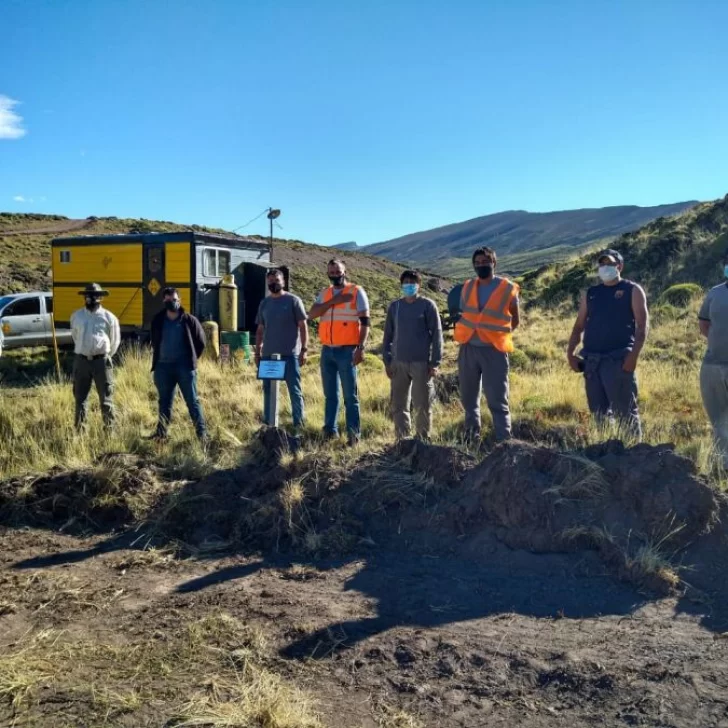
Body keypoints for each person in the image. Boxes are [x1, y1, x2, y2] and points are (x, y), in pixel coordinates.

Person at [566, 249, 648, 439]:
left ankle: (633, 454)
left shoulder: (632, 290)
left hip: (618, 360)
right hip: (592, 362)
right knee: (599, 413)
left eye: (609, 264)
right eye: (602, 264)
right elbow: (579, 326)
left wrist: (633, 357)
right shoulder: (591, 293)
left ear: (619, 266)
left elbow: (642, 326)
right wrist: (570, 353)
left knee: (625, 413)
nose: (605, 268)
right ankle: (606, 451)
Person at [453, 247, 520, 442]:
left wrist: (499, 337)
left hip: (494, 351)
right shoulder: (467, 286)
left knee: (498, 399)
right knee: (469, 399)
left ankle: (504, 442)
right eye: (478, 263)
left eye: (485, 261)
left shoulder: (507, 287)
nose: (481, 265)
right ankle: (471, 438)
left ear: (494, 263)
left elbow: (515, 319)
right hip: (468, 348)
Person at [308, 258, 370, 446]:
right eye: (331, 272)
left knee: (350, 396)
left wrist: (361, 347)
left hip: (347, 351)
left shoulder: (356, 292)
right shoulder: (325, 293)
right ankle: (330, 431)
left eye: (338, 271)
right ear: (327, 273)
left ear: (345, 271)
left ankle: (353, 435)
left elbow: (366, 323)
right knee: (330, 395)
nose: (335, 274)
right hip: (327, 351)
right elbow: (312, 314)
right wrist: (335, 300)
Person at [383, 270, 443, 440]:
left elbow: (437, 335)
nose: (409, 285)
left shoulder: (428, 305)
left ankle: (422, 439)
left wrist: (435, 362)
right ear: (401, 285)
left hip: (421, 364)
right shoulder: (395, 307)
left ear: (419, 285)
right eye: (406, 282)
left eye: (412, 282)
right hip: (398, 363)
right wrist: (387, 361)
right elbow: (387, 336)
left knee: (422, 404)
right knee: (399, 405)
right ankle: (402, 439)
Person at [150, 287, 207, 442]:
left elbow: (201, 343)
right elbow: (154, 341)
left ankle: (202, 436)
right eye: (168, 300)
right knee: (164, 402)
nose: (171, 303)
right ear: (163, 301)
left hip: (185, 368)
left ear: (179, 300)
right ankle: (161, 434)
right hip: (163, 367)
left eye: (174, 300)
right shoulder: (158, 320)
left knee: (192, 401)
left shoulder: (189, 320)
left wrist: (192, 360)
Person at [254, 268, 309, 429]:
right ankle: (269, 425)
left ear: (283, 282)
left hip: (290, 355)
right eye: (270, 281)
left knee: (294, 391)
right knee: (268, 391)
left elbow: (303, 326)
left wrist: (304, 350)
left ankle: (299, 424)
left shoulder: (293, 300)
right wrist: (258, 352)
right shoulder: (264, 303)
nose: (273, 283)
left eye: (276, 281)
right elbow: (259, 330)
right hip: (268, 356)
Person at [70, 283, 121, 430]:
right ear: (84, 297)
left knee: (106, 399)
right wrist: (84, 351)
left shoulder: (109, 318)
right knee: (80, 399)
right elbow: (75, 336)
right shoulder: (76, 316)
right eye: (88, 296)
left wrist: (104, 356)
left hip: (102, 363)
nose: (91, 298)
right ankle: (80, 432)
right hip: (81, 361)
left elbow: (115, 341)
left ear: (100, 298)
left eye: (94, 296)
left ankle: (110, 431)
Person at [698, 251, 728, 466]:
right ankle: (723, 465)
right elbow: (704, 325)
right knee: (718, 420)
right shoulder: (715, 293)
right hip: (713, 365)